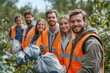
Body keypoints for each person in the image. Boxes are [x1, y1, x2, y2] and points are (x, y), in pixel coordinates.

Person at [65, 9, 104, 73]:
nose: (75, 24)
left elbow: (89, 70)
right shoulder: (77, 39)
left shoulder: (91, 42)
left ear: (85, 21)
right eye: (72, 21)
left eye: (78, 21)